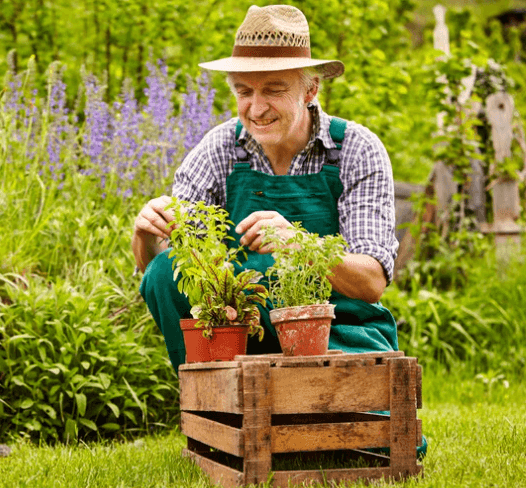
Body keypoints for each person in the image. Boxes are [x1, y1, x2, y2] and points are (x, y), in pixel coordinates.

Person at [132, 4, 399, 373]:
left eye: (273, 90)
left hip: (340, 332)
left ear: (310, 90)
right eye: (244, 92)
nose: (256, 108)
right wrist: (147, 233)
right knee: (164, 270)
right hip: (243, 338)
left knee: (267, 270)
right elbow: (167, 277)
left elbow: (371, 282)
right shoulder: (220, 149)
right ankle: (213, 409)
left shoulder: (355, 149)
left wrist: (298, 244)